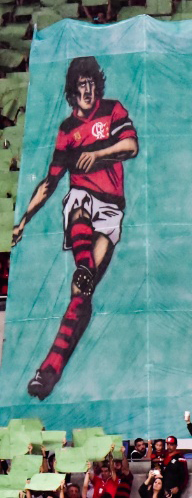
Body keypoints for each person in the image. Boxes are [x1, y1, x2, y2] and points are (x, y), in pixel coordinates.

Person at [14, 56, 139, 400]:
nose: (88, 90)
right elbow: (50, 182)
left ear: (98, 84)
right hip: (83, 199)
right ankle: (84, 265)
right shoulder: (67, 130)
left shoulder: (112, 109)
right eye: (81, 85)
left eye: (91, 83)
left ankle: (49, 369)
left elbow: (131, 146)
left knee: (80, 297)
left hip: (112, 208)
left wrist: (99, 155)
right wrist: (23, 219)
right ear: (72, 91)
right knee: (77, 202)